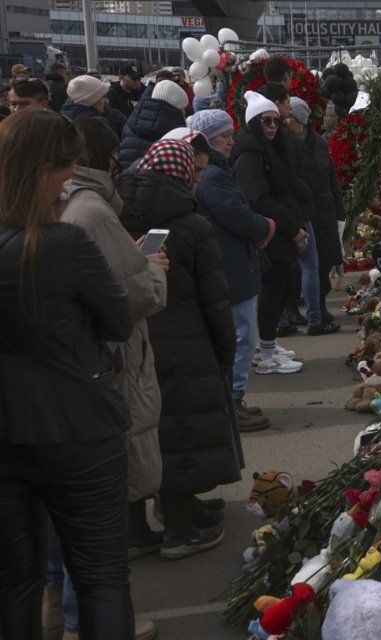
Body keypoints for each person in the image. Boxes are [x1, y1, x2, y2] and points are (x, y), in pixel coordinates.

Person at [0, 109, 135, 639]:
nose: (69, 182)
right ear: (38, 170)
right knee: (101, 577)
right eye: (64, 169)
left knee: (15, 584)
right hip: (80, 427)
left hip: (9, 436)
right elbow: (119, 320)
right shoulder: (64, 245)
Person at [58, 116, 166, 640]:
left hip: (62, 387)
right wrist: (156, 266)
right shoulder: (92, 212)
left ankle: (66, 616)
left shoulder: (69, 208)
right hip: (98, 375)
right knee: (91, 519)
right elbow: (135, 296)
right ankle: (89, 623)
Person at [118, 138, 240, 560]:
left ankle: (134, 531)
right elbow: (215, 297)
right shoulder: (190, 226)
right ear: (183, 174)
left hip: (131, 340)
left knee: (136, 434)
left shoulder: (118, 215)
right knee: (180, 434)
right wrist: (227, 349)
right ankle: (180, 531)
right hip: (185, 346)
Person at [189, 108, 276, 431]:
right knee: (242, 336)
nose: (231, 141)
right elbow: (236, 213)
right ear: (209, 141)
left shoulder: (215, 170)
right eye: (224, 137)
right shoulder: (213, 175)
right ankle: (232, 401)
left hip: (233, 262)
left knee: (241, 335)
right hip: (230, 265)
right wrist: (265, 226)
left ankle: (233, 399)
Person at [230, 91, 308, 374]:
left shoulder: (266, 149)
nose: (273, 126)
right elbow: (258, 198)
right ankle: (265, 352)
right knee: (274, 290)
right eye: (266, 121)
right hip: (269, 233)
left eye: (277, 121)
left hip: (279, 229)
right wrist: (291, 226)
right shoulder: (251, 154)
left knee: (283, 288)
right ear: (254, 123)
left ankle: (268, 344)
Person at [260, 83, 334, 337]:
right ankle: (313, 319)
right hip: (294, 210)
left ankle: (282, 321)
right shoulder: (287, 139)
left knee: (281, 268)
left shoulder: (264, 137)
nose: (288, 109)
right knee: (307, 265)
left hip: (277, 211)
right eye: (286, 104)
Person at [287, 96, 344, 331]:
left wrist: (339, 209)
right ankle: (293, 310)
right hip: (301, 212)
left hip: (324, 209)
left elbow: (331, 177)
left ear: (299, 119)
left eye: (289, 116)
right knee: (299, 266)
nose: (284, 120)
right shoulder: (286, 144)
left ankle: (320, 306)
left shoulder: (318, 142)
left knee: (324, 262)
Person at [117, 80, 188, 169]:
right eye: (182, 109)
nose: (184, 112)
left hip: (125, 176)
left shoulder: (133, 119)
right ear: (175, 108)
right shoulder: (173, 130)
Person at [62, 74, 127, 137]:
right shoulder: (97, 124)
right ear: (92, 100)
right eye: (103, 96)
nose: (105, 101)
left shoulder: (63, 119)